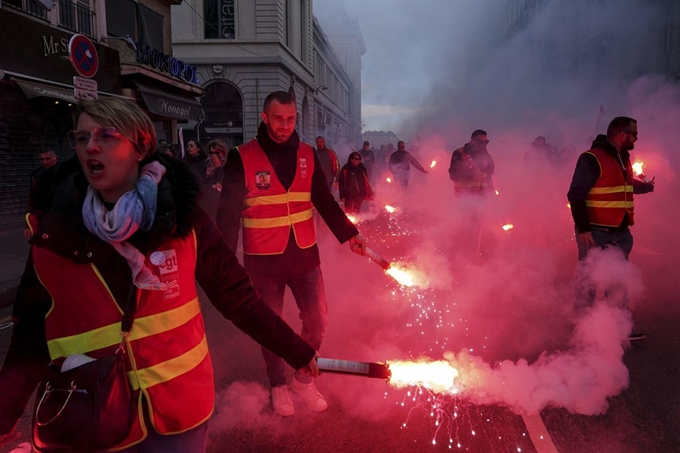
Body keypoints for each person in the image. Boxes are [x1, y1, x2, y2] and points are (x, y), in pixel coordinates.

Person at [0, 98, 320, 452]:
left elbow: (239, 298)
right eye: (81, 137)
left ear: (141, 148)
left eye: (107, 135)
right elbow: (29, 336)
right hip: (88, 415)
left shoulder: (184, 220)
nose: (91, 145)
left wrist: (295, 349)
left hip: (176, 416)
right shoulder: (53, 234)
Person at [216, 91, 366, 417]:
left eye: (291, 119)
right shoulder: (241, 157)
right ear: (265, 118)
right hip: (262, 258)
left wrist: (349, 234)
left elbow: (324, 201)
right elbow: (227, 214)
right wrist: (224, 261)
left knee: (319, 320)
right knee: (270, 325)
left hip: (304, 254)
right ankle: (277, 384)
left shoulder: (309, 155)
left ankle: (302, 377)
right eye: (278, 119)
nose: (285, 126)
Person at [567, 117, 655, 339]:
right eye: (634, 134)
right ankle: (584, 327)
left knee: (617, 281)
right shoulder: (591, 158)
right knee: (589, 279)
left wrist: (644, 187)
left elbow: (623, 185)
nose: (637, 137)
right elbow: (575, 195)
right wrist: (584, 228)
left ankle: (620, 327)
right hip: (595, 232)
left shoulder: (622, 157)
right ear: (622, 134)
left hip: (621, 232)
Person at [448, 130, 495, 197]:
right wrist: (471, 174)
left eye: (486, 142)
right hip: (465, 199)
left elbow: (489, 178)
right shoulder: (459, 153)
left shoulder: (487, 156)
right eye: (481, 142)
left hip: (484, 200)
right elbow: (453, 175)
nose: (484, 145)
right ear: (473, 141)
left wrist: (493, 196)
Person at [198, 139, 228, 219]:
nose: (214, 155)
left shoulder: (227, 166)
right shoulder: (204, 165)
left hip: (219, 205)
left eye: (216, 153)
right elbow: (200, 185)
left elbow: (224, 182)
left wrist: (218, 167)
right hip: (204, 203)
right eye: (211, 153)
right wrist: (213, 186)